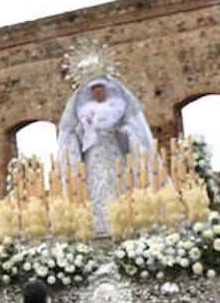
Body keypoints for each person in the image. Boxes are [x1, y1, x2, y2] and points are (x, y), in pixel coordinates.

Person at [53, 66, 155, 236]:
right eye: (94, 89)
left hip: (114, 152)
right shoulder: (83, 110)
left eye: (101, 88)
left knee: (120, 182)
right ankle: (99, 224)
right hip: (94, 155)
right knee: (96, 185)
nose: (98, 92)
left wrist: (120, 131)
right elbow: (74, 137)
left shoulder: (117, 106)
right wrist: (85, 127)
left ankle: (124, 221)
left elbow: (132, 129)